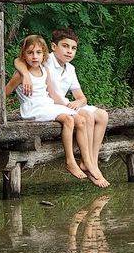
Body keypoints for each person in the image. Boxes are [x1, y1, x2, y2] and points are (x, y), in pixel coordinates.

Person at [6, 35, 86, 181]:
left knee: (79, 119)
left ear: (44, 54)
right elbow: (5, 92)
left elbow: (53, 94)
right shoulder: (20, 74)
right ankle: (70, 161)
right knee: (68, 119)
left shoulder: (44, 70)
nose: (34, 57)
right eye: (30, 53)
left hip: (47, 104)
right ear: (24, 55)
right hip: (33, 108)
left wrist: (66, 105)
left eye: (38, 53)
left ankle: (85, 160)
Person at [49, 28, 111, 188]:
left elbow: (82, 97)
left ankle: (91, 162)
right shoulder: (46, 62)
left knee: (103, 115)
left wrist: (78, 102)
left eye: (73, 48)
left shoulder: (70, 69)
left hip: (67, 104)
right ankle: (88, 162)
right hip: (53, 104)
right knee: (88, 117)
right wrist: (74, 105)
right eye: (65, 46)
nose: (69, 51)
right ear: (54, 46)